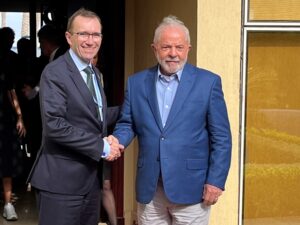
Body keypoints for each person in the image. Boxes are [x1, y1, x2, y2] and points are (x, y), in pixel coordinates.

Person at [112, 15, 232, 225]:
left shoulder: (208, 83)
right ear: (154, 49)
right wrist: (117, 141)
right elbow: (127, 123)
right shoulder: (136, 83)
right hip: (151, 190)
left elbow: (221, 137)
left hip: (192, 190)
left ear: (188, 48)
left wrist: (216, 181)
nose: (173, 54)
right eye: (166, 47)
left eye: (179, 47)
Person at [27, 8, 123, 225]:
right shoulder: (55, 73)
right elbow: (55, 125)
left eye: (96, 34)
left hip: (90, 182)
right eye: (83, 34)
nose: (91, 41)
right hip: (60, 184)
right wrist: (103, 147)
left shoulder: (95, 74)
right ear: (69, 38)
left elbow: (93, 117)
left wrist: (130, 109)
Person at [0, 27, 27, 221]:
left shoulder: (6, 62)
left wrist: (19, 117)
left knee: (6, 160)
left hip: (4, 118)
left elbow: (11, 92)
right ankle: (7, 203)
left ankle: (8, 204)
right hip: (5, 117)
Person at [92, 53, 118, 225]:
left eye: (96, 57)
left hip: (103, 140)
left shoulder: (99, 76)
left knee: (106, 185)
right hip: (85, 143)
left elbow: (102, 112)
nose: (93, 60)